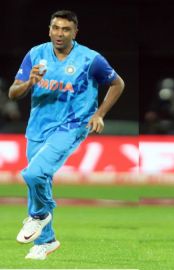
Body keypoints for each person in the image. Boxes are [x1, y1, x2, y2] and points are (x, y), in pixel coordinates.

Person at [9, 10, 124, 260]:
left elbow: (118, 83)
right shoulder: (36, 54)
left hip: (72, 125)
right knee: (40, 181)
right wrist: (29, 82)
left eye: (66, 29)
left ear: (75, 32)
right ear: (49, 29)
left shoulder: (90, 59)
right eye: (56, 28)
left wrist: (99, 114)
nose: (60, 33)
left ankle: (39, 216)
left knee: (33, 173)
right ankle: (46, 241)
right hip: (38, 127)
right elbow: (13, 93)